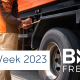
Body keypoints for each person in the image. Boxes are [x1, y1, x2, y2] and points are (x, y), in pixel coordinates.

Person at [0, 0, 32, 80]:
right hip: (7, 34)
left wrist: (21, 24)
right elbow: (7, 17)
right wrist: (22, 21)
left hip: (9, 34)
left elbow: (13, 16)